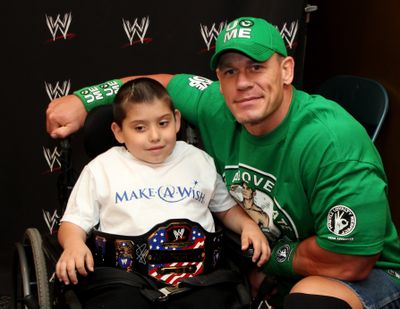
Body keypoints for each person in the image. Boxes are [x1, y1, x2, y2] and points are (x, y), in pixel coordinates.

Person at [47, 16, 400, 309]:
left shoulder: (332, 142)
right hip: (260, 255)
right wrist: (83, 100)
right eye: (229, 72)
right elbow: (162, 85)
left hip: (357, 271)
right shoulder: (217, 102)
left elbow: (348, 260)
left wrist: (267, 263)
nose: (242, 83)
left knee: (304, 305)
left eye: (257, 67)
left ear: (287, 70)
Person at [55, 77, 270, 309]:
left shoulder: (198, 160)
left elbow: (226, 210)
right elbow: (73, 223)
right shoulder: (102, 169)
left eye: (163, 123)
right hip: (125, 278)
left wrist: (248, 225)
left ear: (177, 121)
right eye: (140, 128)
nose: (155, 136)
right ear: (118, 132)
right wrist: (73, 244)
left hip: (197, 276)